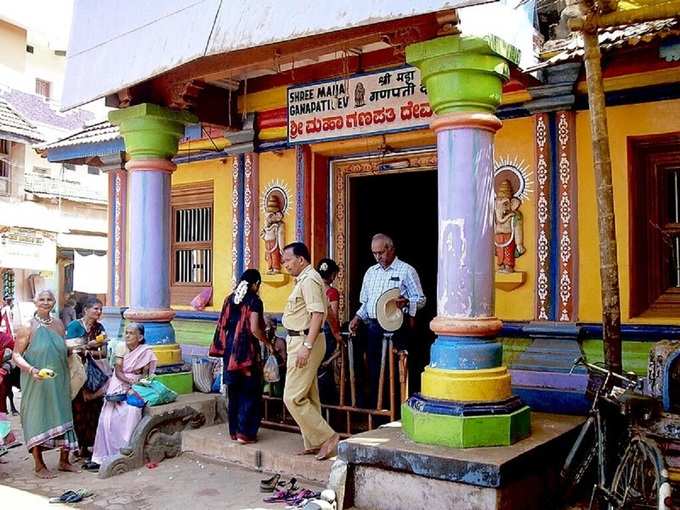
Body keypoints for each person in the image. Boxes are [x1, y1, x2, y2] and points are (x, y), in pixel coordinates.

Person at [348, 233, 426, 409]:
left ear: (390, 249)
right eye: (374, 253)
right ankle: (377, 406)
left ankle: (398, 408)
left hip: (397, 327)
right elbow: (366, 304)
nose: (378, 257)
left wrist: (406, 302)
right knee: (374, 367)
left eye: (381, 252)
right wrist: (357, 317)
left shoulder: (406, 270)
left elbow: (421, 299)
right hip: (374, 326)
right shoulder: (370, 272)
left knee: (396, 369)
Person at [12, 290, 78, 478]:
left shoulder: (58, 324)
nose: (46, 302)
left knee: (63, 412)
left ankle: (64, 461)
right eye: (42, 299)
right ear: (35, 302)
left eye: (49, 299)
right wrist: (32, 370)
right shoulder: (27, 326)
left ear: (54, 302)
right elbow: (16, 354)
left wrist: (75, 350)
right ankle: (39, 465)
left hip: (59, 379)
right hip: (36, 381)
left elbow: (63, 349)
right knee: (37, 416)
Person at [281, 242, 339, 461]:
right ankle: (314, 442)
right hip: (301, 339)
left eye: (287, 260)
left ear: (301, 260)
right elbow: (324, 312)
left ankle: (328, 437)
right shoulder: (307, 280)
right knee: (308, 393)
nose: (285, 265)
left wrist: (307, 346)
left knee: (292, 397)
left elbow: (317, 314)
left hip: (306, 340)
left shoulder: (310, 280)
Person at [211, 269, 272, 444]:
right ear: (256, 284)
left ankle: (234, 431)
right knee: (250, 391)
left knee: (234, 392)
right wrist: (267, 342)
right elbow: (254, 329)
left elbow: (223, 325)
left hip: (230, 351)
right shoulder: (254, 301)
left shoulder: (229, 299)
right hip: (246, 351)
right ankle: (245, 434)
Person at [87, 323, 157, 471]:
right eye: (126, 332)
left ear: (141, 337)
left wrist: (135, 385)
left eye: (131, 333)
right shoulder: (121, 347)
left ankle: (126, 452)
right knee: (106, 418)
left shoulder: (146, 352)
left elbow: (145, 374)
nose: (127, 336)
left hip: (137, 387)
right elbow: (118, 371)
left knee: (131, 412)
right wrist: (128, 381)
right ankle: (102, 456)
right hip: (118, 383)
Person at [65, 297, 108, 460]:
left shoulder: (100, 328)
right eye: (96, 309)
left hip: (93, 373)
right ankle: (77, 446)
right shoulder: (75, 326)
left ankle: (89, 446)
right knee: (78, 409)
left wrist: (90, 350)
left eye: (100, 309)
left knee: (94, 409)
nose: (99, 312)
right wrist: (87, 347)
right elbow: (69, 349)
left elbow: (103, 353)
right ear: (86, 310)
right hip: (76, 372)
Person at [316, 258, 342, 404]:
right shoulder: (331, 292)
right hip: (326, 333)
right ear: (332, 275)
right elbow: (333, 315)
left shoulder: (312, 289)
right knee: (326, 369)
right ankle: (329, 406)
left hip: (311, 333)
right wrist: (337, 335)